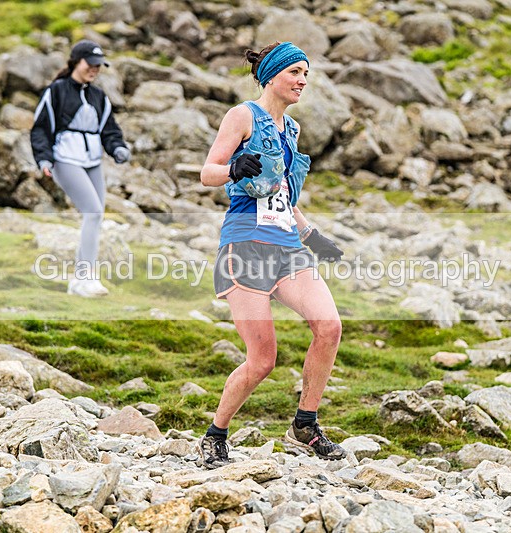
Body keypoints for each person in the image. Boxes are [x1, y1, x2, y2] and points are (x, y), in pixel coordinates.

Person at [198, 42, 347, 468]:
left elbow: (283, 194)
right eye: (295, 72)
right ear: (271, 76)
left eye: (306, 74)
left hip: (287, 247)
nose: (302, 81)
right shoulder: (242, 115)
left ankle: (305, 424)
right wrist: (232, 169)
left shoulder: (292, 130)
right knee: (262, 360)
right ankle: (215, 434)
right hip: (245, 244)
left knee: (329, 327)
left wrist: (312, 235)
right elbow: (208, 172)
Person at [30, 40, 130, 297]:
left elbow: (109, 131)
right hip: (65, 159)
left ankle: (78, 281)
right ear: (76, 62)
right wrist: (44, 159)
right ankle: (86, 278)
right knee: (93, 212)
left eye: (99, 65)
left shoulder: (99, 96)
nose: (95, 69)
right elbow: (40, 129)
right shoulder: (56, 91)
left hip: (92, 161)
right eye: (90, 64)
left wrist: (118, 148)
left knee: (95, 216)